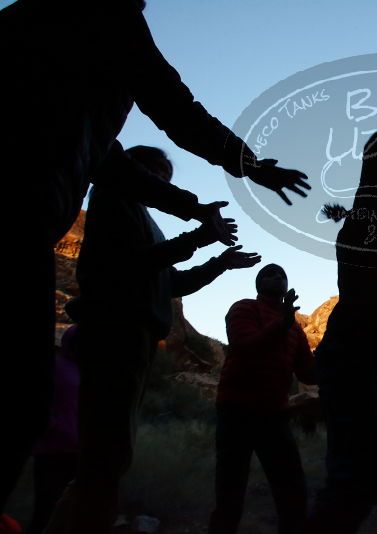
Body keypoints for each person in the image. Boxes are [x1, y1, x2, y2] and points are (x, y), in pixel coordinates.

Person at [0, 0, 310, 512]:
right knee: (63, 429)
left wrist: (208, 241)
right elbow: (177, 110)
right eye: (160, 180)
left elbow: (167, 279)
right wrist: (246, 172)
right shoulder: (101, 18)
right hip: (91, 308)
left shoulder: (48, 42)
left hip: (108, 312)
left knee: (71, 432)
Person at [45, 146, 262, 534]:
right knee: (106, 454)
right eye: (156, 173)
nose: (162, 182)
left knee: (109, 454)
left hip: (134, 339)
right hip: (115, 333)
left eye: (166, 176)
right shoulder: (113, 198)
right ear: (134, 170)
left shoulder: (142, 216)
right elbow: (136, 263)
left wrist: (220, 262)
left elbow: (171, 281)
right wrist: (201, 234)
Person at [306, 118, 377, 533]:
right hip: (347, 366)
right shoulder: (364, 231)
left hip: (355, 367)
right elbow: (369, 176)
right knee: (355, 479)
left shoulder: (374, 238)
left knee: (364, 478)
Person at [209, 264, 316, 534]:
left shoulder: (295, 329)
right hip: (237, 412)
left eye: (282, 274)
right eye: (270, 273)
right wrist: (282, 324)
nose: (277, 276)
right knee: (230, 494)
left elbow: (309, 372)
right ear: (258, 284)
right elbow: (244, 346)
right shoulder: (244, 308)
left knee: (292, 491)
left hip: (274, 414)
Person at [27, 326, 80, 534]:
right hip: (51, 452)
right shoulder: (56, 367)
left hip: (77, 453)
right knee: (46, 511)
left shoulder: (83, 370)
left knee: (68, 514)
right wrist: (52, 427)